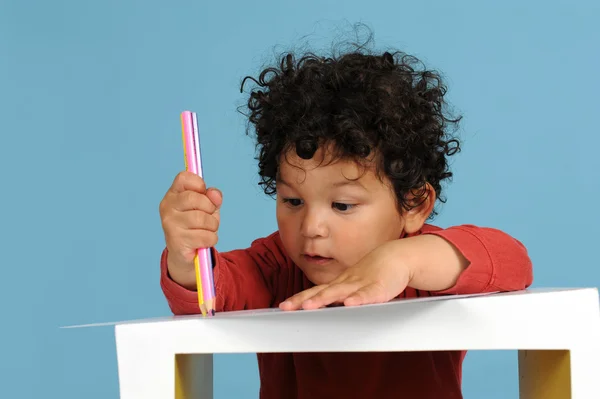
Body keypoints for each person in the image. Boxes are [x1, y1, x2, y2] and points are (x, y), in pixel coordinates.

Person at [158, 36, 533, 398]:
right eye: (292, 201)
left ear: (414, 205)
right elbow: (215, 292)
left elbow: (512, 260)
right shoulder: (276, 267)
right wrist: (186, 253)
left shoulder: (424, 263)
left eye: (342, 206)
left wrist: (401, 260)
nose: (311, 229)